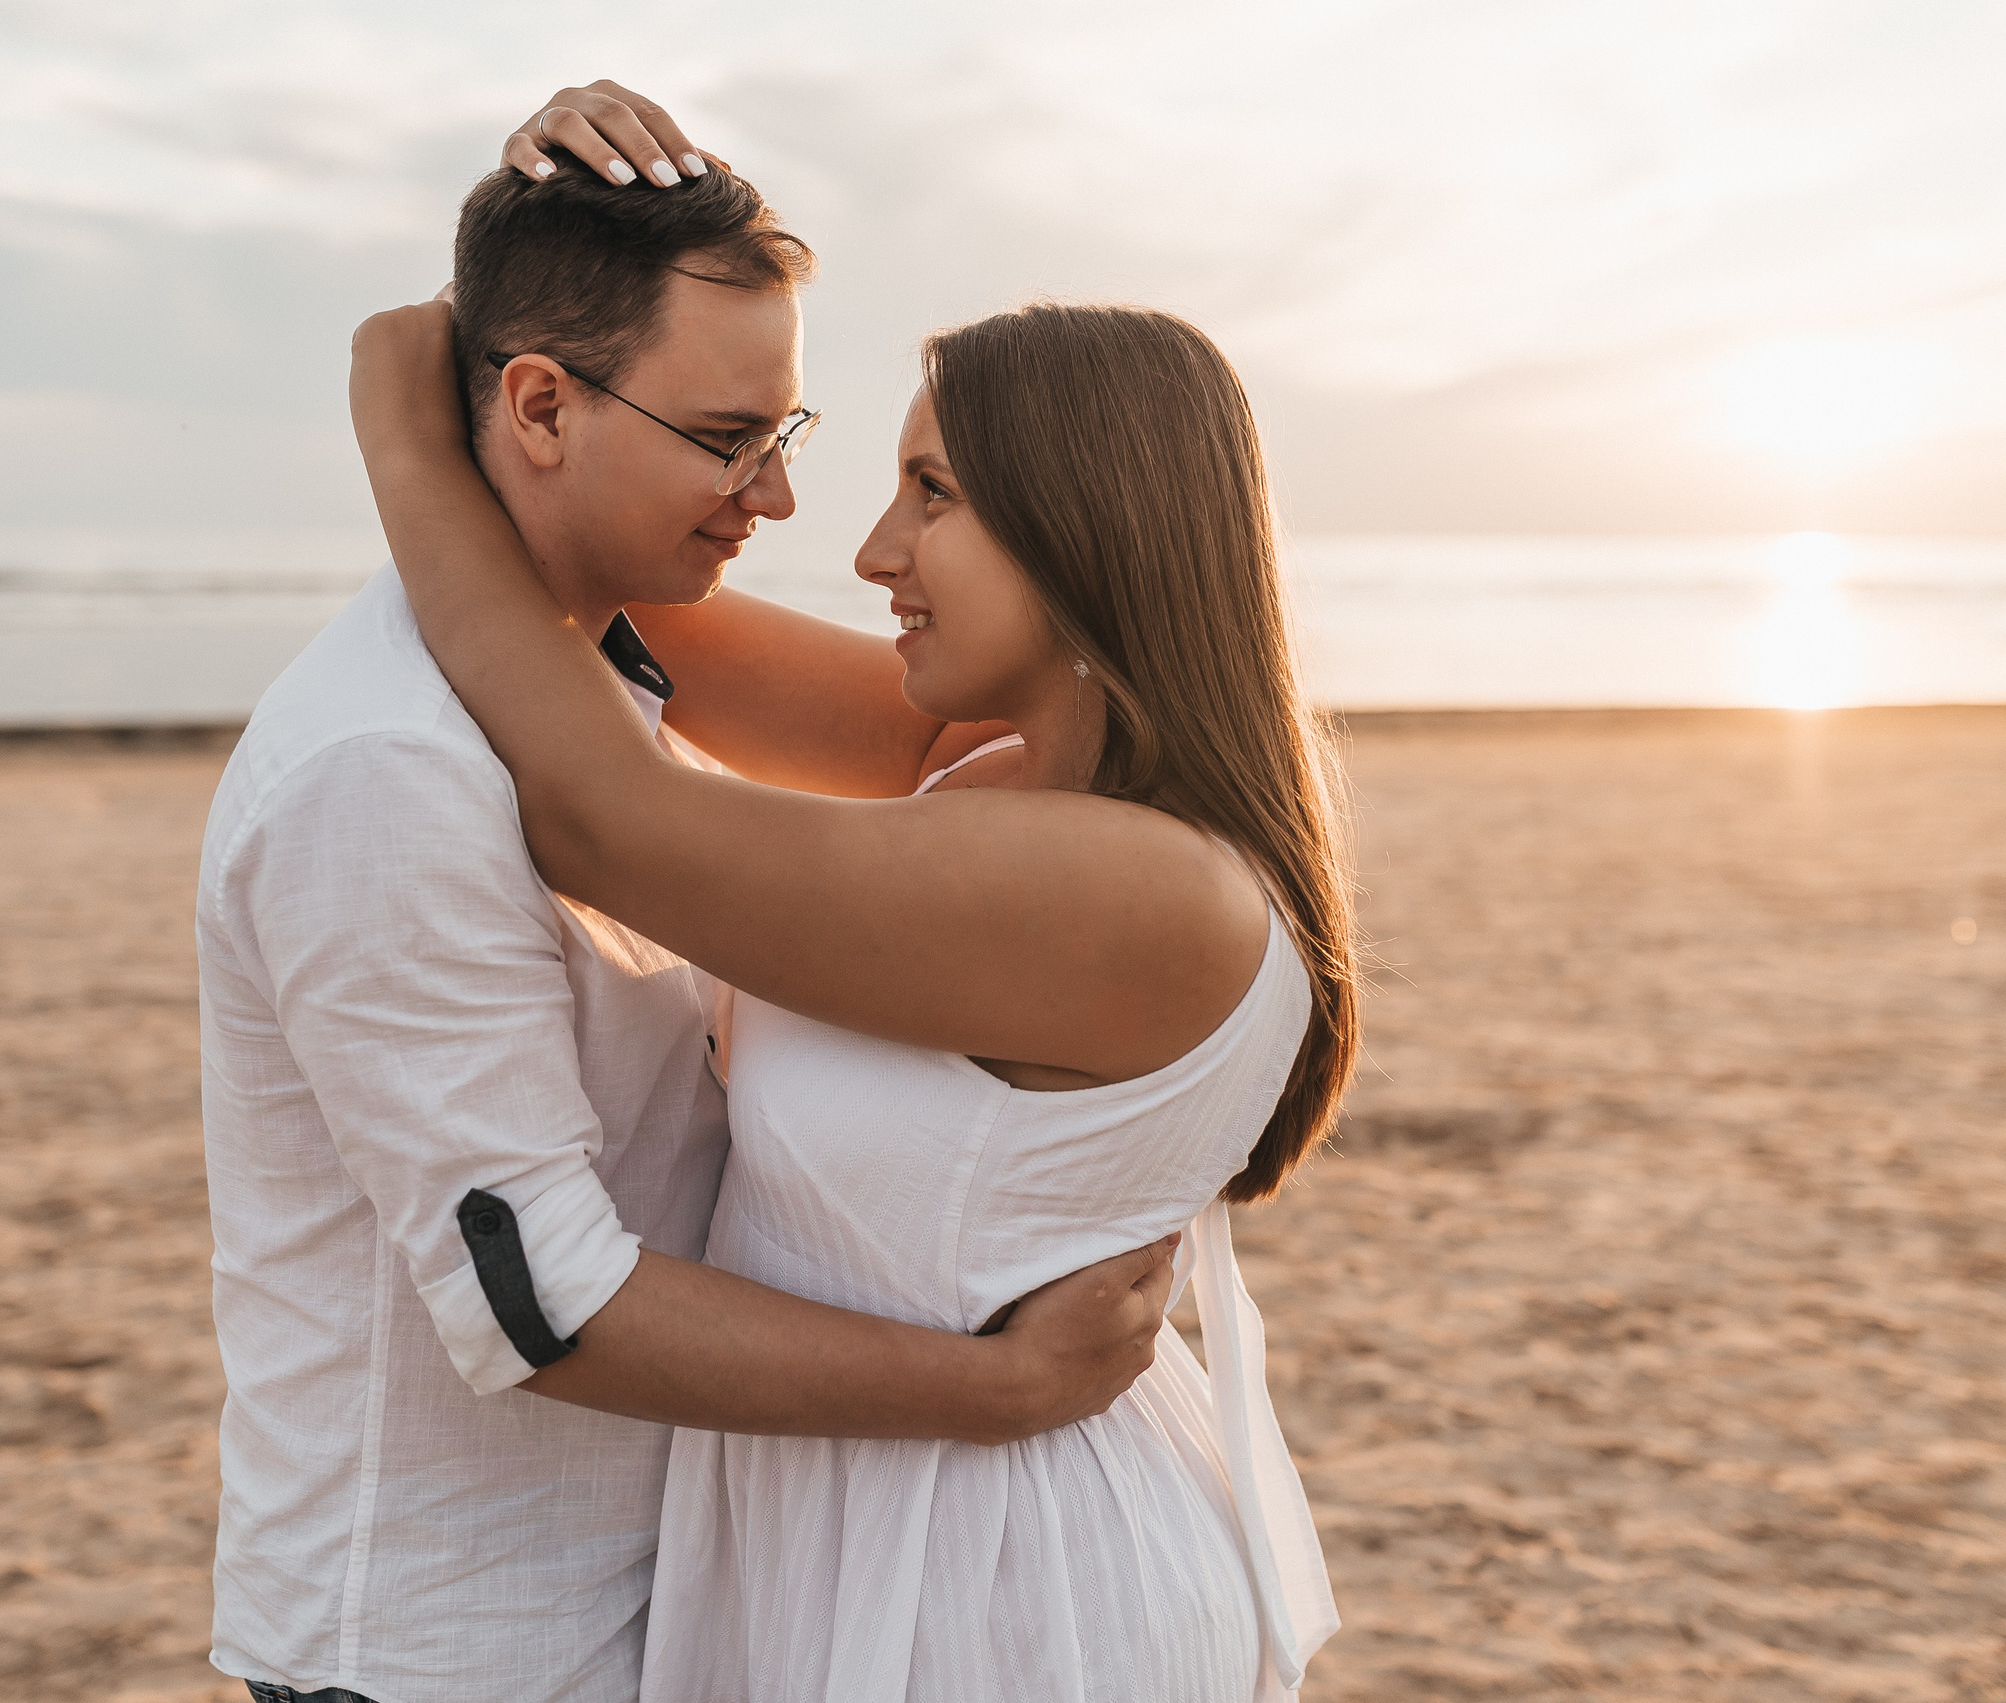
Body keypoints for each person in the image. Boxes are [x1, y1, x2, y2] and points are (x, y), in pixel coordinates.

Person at [197, 85, 1178, 1703]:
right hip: (454, 1655)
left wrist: (428, 366)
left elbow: (960, 711)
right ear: (534, 407)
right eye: (728, 442)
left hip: (654, 1615)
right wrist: (993, 1389)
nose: (778, 501)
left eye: (779, 433)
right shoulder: (384, 773)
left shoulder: (613, 672)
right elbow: (541, 1303)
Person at [346, 191, 1359, 1698]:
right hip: (882, 1537)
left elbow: (608, 816)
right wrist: (540, 302)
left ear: (1089, 528)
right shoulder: (997, 763)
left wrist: (396, 395)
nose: (874, 548)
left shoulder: (1140, 889)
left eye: (933, 494)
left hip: (998, 1593)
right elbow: (601, 590)